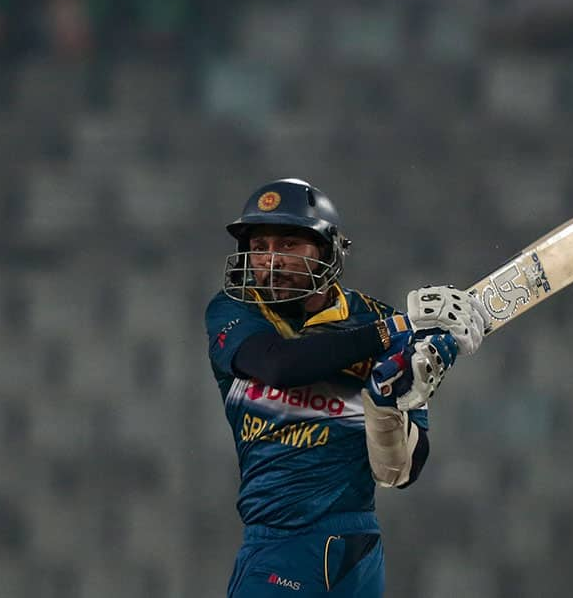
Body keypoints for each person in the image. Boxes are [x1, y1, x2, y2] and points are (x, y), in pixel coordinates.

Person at [204, 178, 491, 597]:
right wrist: (397, 330)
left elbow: (401, 472)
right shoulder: (235, 311)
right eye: (259, 246)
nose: (270, 261)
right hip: (280, 544)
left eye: (287, 244)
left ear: (328, 250)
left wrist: (387, 405)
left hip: (357, 551)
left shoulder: (379, 324)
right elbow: (279, 365)